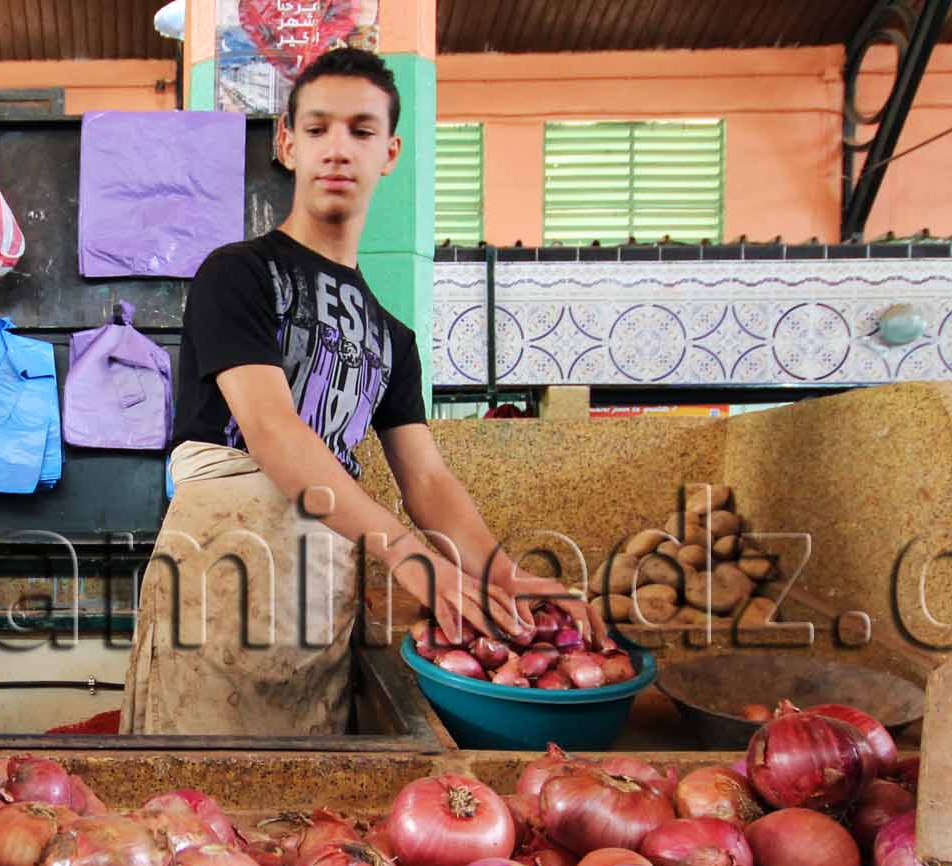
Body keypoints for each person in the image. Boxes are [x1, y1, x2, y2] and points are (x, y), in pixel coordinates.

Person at [121, 48, 599, 736]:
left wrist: (504, 574)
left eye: (361, 130)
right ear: (286, 143)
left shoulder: (392, 337)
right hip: (220, 568)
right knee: (191, 795)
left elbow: (428, 481)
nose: (337, 149)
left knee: (301, 806)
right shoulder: (237, 275)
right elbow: (275, 432)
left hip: (318, 580)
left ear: (391, 152)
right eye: (316, 129)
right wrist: (407, 554)